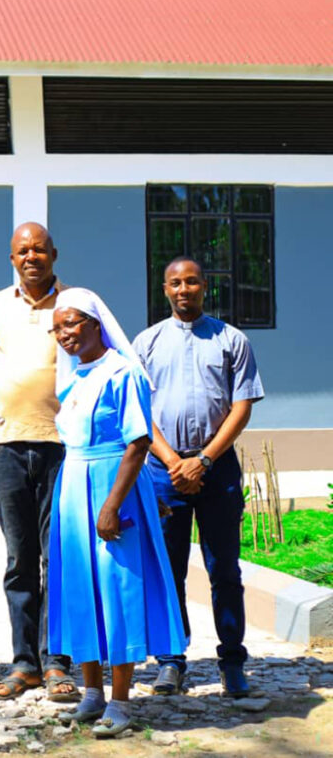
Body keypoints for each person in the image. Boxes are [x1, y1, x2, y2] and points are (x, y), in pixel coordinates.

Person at [47, 288, 186, 738]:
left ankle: (122, 700)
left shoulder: (123, 372)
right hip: (73, 484)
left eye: (72, 324)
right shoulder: (73, 377)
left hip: (113, 485)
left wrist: (111, 506)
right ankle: (91, 692)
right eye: (58, 327)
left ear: (95, 323)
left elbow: (138, 443)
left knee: (117, 585)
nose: (64, 334)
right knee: (80, 585)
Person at [133, 258, 265, 698]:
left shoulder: (231, 340)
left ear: (204, 287)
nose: (183, 289)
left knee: (224, 569)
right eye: (175, 282)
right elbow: (140, 413)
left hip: (217, 469)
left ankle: (232, 662)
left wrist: (203, 461)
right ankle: (171, 661)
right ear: (164, 289)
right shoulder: (147, 342)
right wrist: (174, 461)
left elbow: (241, 406)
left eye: (191, 281)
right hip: (162, 472)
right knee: (168, 571)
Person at [0, 222, 77, 701]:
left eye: (38, 249)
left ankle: (57, 662)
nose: (31, 256)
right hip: (8, 445)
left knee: (58, 557)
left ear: (53, 253)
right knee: (19, 559)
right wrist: (14, 408)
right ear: (12, 259)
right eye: (22, 251)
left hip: (63, 445)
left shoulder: (77, 303)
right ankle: (23, 663)